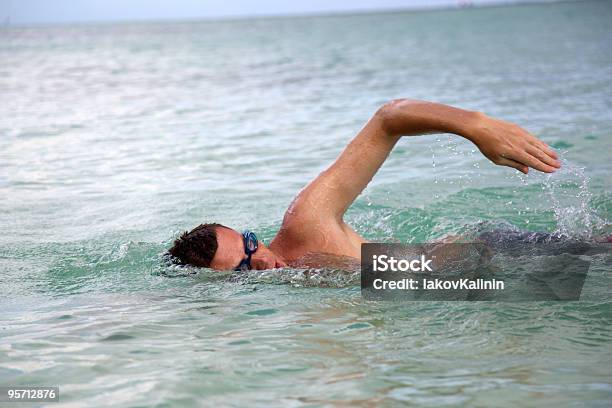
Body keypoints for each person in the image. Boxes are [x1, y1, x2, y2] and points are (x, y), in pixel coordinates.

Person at [168, 99, 560, 271]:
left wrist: (477, 126)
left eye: (251, 243)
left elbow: (390, 118)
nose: (263, 260)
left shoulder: (307, 223)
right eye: (243, 269)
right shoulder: (295, 293)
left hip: (501, 254)